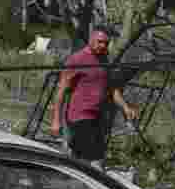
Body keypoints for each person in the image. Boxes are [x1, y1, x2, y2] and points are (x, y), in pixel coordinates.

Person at [50, 26, 139, 170]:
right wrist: (55, 120)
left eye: (106, 43)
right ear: (91, 40)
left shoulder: (105, 61)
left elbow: (112, 89)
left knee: (80, 159)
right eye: (100, 42)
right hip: (79, 117)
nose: (103, 46)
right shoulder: (77, 59)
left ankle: (74, 181)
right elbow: (61, 91)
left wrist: (125, 107)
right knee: (96, 159)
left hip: (98, 117)